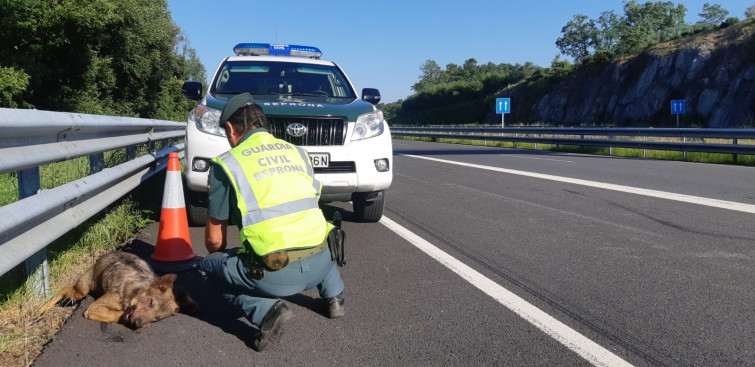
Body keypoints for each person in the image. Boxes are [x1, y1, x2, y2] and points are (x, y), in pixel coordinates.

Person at [198, 93, 345, 352]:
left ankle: (267, 311)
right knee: (312, 229)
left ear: (231, 129)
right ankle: (334, 298)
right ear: (262, 123)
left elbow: (215, 242)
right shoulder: (298, 153)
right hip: (323, 261)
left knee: (209, 266)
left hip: (274, 272)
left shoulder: (226, 165)